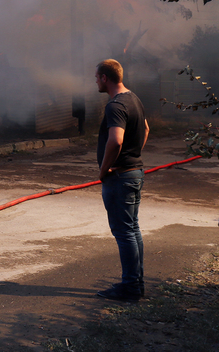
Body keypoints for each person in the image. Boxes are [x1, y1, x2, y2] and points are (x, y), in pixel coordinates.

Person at [94, 59, 149, 302]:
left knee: (124, 232)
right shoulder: (133, 98)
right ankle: (136, 284)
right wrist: (133, 155)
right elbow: (145, 129)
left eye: (96, 77)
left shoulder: (115, 105)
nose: (95, 81)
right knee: (132, 229)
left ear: (105, 77)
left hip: (120, 177)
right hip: (134, 173)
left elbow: (115, 140)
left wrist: (104, 170)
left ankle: (130, 288)